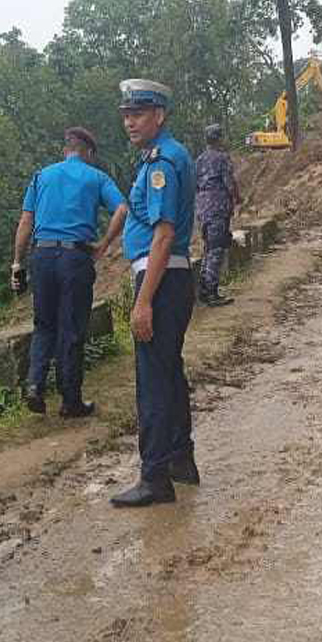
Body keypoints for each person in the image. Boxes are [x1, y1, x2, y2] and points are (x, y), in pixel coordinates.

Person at [109, 79, 199, 508]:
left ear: (159, 115)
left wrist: (143, 300)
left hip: (159, 279)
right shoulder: (163, 156)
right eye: (126, 114)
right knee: (168, 372)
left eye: (138, 113)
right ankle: (180, 459)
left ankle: (154, 477)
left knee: (153, 383)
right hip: (171, 279)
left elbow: (163, 235)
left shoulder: (162, 161)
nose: (129, 121)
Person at [11, 127, 127, 417]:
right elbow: (123, 209)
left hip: (43, 254)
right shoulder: (97, 177)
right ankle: (70, 400)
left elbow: (26, 221)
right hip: (75, 257)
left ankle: (35, 385)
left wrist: (17, 263)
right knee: (71, 328)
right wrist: (103, 245)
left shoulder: (42, 176)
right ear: (89, 152)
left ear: (66, 150)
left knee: (44, 324)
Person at [195, 123, 242, 307]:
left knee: (208, 248)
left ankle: (205, 289)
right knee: (216, 249)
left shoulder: (199, 160)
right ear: (219, 138)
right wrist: (238, 198)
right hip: (218, 208)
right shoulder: (222, 158)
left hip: (203, 209)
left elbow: (196, 185)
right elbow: (229, 183)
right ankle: (211, 292)